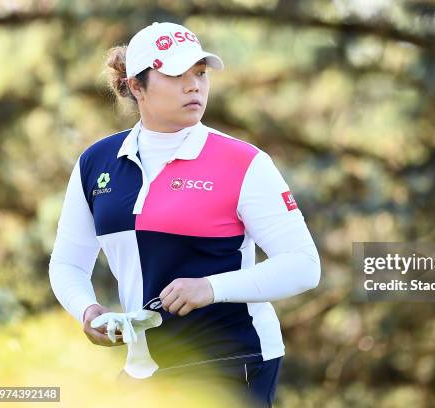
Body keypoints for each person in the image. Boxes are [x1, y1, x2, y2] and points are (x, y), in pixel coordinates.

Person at [48, 21, 321, 407]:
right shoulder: (96, 163)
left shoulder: (244, 162)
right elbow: (68, 263)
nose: (194, 85)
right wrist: (87, 310)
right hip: (144, 372)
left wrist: (211, 287)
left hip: (232, 362)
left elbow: (304, 266)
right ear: (135, 86)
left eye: (200, 73)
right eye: (176, 74)